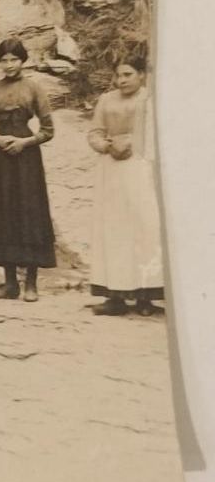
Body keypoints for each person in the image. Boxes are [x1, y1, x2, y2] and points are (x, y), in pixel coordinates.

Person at [0, 36, 56, 302]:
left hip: (26, 158)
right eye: (4, 60)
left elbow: (48, 129)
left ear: (23, 60)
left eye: (14, 59)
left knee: (29, 213)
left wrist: (24, 142)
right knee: (2, 213)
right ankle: (9, 283)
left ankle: (30, 283)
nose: (9, 65)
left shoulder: (33, 88)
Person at [87, 55, 166, 316]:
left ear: (142, 74)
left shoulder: (150, 99)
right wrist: (107, 145)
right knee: (113, 230)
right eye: (119, 75)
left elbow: (160, 132)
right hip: (111, 170)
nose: (122, 80)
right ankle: (115, 297)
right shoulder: (106, 100)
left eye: (128, 74)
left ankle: (145, 296)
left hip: (141, 167)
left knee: (144, 228)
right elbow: (95, 132)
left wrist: (131, 143)